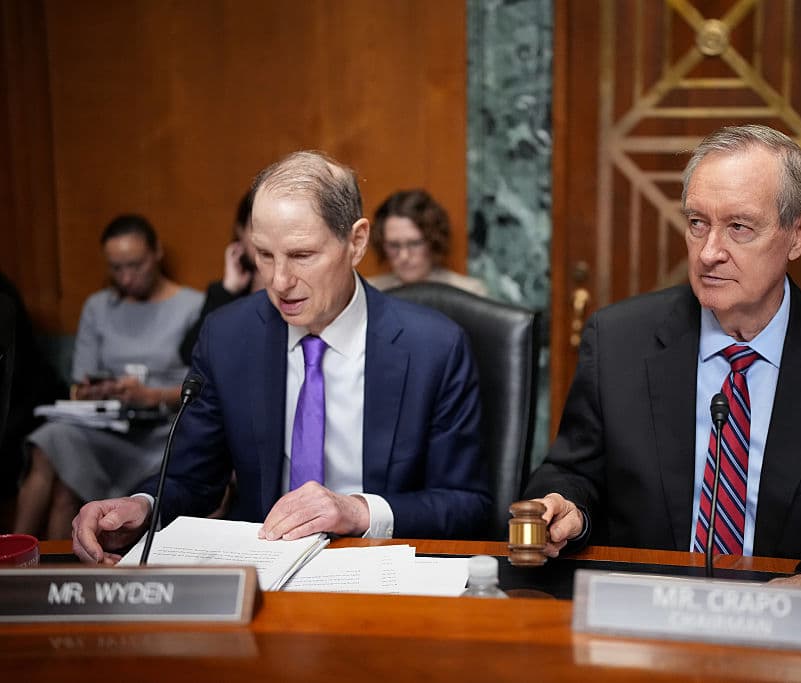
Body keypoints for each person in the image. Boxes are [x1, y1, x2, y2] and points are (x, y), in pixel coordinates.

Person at [523, 124, 801, 605]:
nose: (710, 252)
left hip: (789, 621)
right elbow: (571, 473)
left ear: (799, 234)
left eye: (739, 227)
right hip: (648, 613)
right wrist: (565, 509)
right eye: (698, 223)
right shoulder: (619, 341)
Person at [71, 151, 490, 564]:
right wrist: (143, 507)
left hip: (381, 567)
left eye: (302, 255)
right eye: (264, 255)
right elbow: (190, 478)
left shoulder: (434, 347)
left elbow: (467, 504)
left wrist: (359, 512)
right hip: (262, 568)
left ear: (356, 242)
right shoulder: (227, 337)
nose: (280, 281)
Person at [14, 215, 202, 539]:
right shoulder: (99, 307)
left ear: (156, 253)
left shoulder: (192, 305)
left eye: (135, 265)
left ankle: (57, 567)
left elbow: (202, 385)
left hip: (161, 427)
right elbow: (79, 381)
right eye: (116, 268)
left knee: (65, 487)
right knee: (49, 440)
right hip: (107, 425)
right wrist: (99, 391)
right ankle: (13, 558)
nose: (127, 277)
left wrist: (149, 395)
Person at [0, 272, 67, 531]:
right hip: (75, 417)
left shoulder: (3, 295)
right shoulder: (100, 305)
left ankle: (18, 559)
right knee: (47, 446)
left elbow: (18, 375)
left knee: (64, 487)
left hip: (19, 407)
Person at [178, 189, 266, 365]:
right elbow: (191, 353)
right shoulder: (226, 293)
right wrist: (228, 290)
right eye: (258, 226)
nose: (267, 238)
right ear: (240, 231)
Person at [367, 189, 489, 297]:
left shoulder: (467, 293)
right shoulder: (368, 293)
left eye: (415, 243)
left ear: (433, 241)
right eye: (394, 245)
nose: (404, 256)